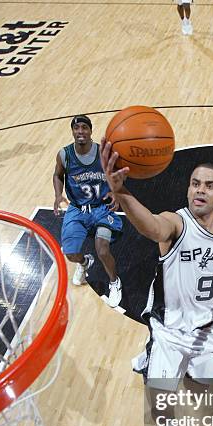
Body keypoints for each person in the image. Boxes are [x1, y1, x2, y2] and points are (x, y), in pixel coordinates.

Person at [100, 139, 213, 426]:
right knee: (159, 399)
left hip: (208, 330)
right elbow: (151, 225)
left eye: (209, 186)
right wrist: (122, 192)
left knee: (204, 392)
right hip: (170, 329)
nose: (200, 190)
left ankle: (158, 361)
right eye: (195, 184)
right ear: (188, 190)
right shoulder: (177, 223)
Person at [53, 115, 123, 308]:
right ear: (73, 131)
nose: (80, 131)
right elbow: (58, 175)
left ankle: (114, 281)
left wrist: (115, 192)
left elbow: (116, 175)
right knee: (71, 253)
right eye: (77, 128)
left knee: (102, 248)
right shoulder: (64, 154)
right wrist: (58, 195)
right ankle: (84, 263)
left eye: (84, 127)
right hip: (76, 209)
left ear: (90, 131)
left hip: (101, 208)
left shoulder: (103, 153)